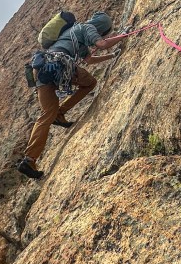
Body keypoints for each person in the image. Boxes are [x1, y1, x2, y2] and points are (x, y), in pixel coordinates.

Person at [18, 11, 127, 179]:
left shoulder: (73, 33)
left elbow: (89, 59)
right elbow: (102, 44)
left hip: (42, 70)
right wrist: (123, 36)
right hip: (60, 65)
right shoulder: (87, 27)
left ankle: (29, 160)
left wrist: (112, 56)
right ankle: (60, 112)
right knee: (89, 82)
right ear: (102, 27)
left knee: (47, 114)